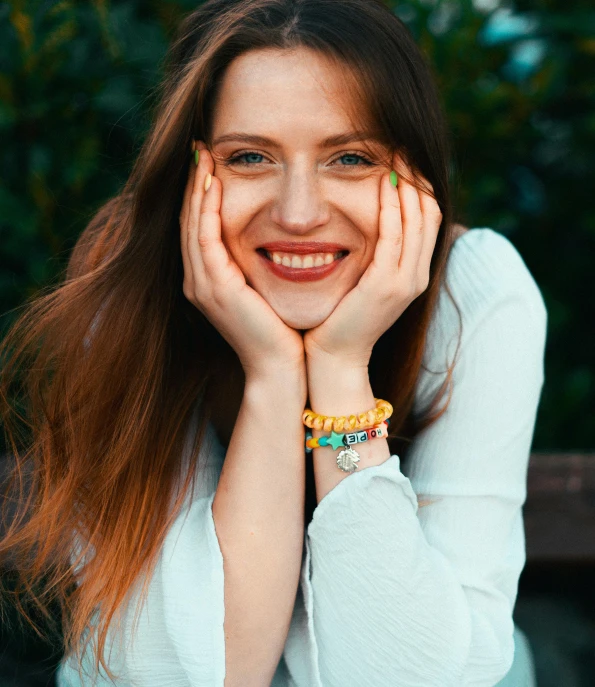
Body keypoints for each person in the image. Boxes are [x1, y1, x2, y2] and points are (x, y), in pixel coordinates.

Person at [0, 0, 545, 685]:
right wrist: (273, 375)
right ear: (194, 174)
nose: (297, 213)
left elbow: (412, 675)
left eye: (348, 157)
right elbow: (188, 672)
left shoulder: (474, 295)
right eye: (249, 157)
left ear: (412, 178)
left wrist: (340, 368)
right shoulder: (123, 305)